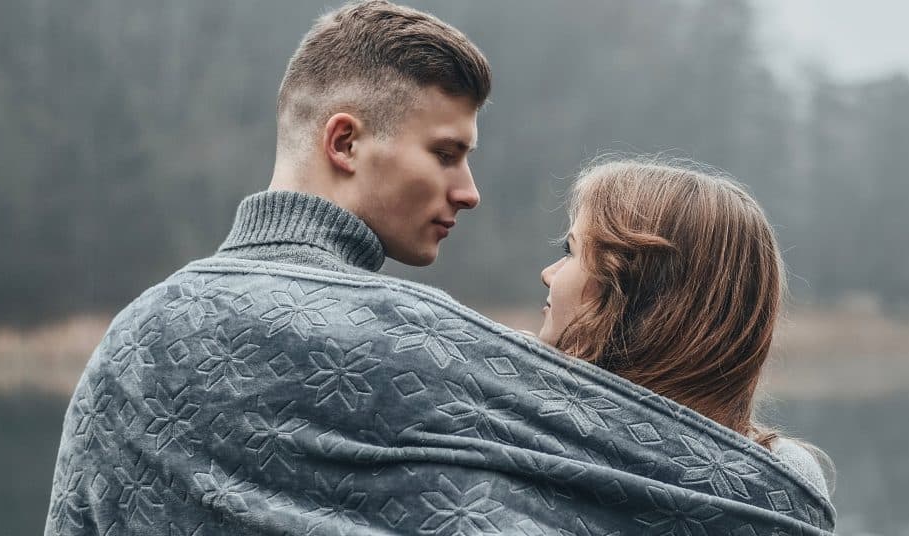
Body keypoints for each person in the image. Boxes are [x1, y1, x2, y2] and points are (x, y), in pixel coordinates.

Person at [46, 1, 835, 534]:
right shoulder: (421, 337)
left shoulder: (132, 338)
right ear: (345, 142)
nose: (470, 191)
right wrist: (789, 481)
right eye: (446, 154)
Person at [537, 157, 834, 497]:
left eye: (571, 252)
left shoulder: (529, 432)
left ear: (643, 296)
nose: (549, 273)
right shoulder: (785, 479)